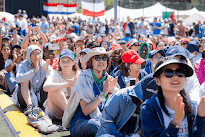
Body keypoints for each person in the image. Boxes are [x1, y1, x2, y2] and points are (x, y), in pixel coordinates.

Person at [140, 56, 205, 137]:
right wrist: (175, 123)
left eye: (180, 72)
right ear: (158, 80)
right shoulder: (149, 108)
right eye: (168, 73)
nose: (175, 77)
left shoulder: (193, 106)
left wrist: (201, 118)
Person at [62, 47, 118, 137]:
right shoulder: (83, 79)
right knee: (96, 126)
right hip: (81, 122)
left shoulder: (109, 79)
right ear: (91, 61)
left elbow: (113, 109)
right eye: (97, 58)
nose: (101, 61)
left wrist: (110, 92)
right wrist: (103, 93)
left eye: (104, 58)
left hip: (102, 119)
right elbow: (86, 110)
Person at [15, 45, 53, 113]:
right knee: (24, 80)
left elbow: (54, 76)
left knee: (48, 79)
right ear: (29, 55)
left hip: (41, 97)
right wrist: (33, 71)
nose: (36, 56)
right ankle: (29, 106)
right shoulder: (24, 64)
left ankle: (50, 106)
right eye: (33, 53)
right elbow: (18, 79)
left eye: (38, 53)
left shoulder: (44, 64)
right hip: (25, 98)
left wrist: (48, 72)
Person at [43, 49, 79, 120]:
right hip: (56, 110)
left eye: (68, 61)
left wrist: (77, 84)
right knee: (54, 90)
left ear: (73, 62)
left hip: (74, 108)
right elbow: (45, 87)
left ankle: (70, 116)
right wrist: (66, 84)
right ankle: (71, 117)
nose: (65, 64)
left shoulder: (79, 74)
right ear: (59, 63)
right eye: (63, 61)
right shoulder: (54, 73)